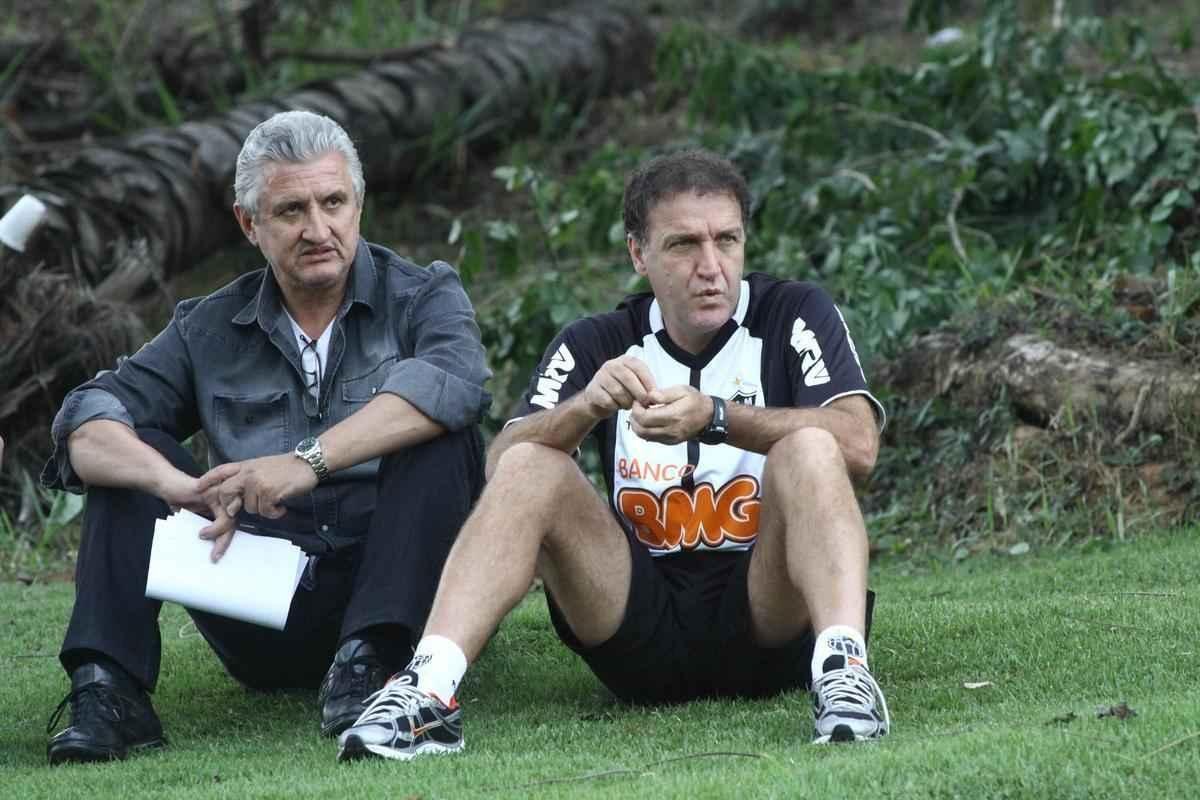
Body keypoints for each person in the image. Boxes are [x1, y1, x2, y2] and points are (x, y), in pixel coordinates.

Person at [336, 148, 889, 763]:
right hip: (636, 625)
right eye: (684, 245)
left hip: (771, 615)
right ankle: (427, 693)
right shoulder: (596, 340)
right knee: (531, 461)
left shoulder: (792, 314)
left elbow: (859, 444)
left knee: (811, 444)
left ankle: (842, 671)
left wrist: (717, 418)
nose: (711, 267)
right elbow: (501, 469)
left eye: (727, 241)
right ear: (638, 254)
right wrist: (586, 409)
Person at [40, 110, 491, 765]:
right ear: (249, 225)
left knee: (441, 434)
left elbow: (457, 384)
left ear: (358, 205)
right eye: (291, 210)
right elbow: (86, 417)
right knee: (130, 450)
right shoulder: (206, 327)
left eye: (334, 202)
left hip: (402, 598)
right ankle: (108, 693)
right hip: (264, 603)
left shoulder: (423, 294)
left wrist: (306, 461)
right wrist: (175, 484)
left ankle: (375, 664)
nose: (318, 228)